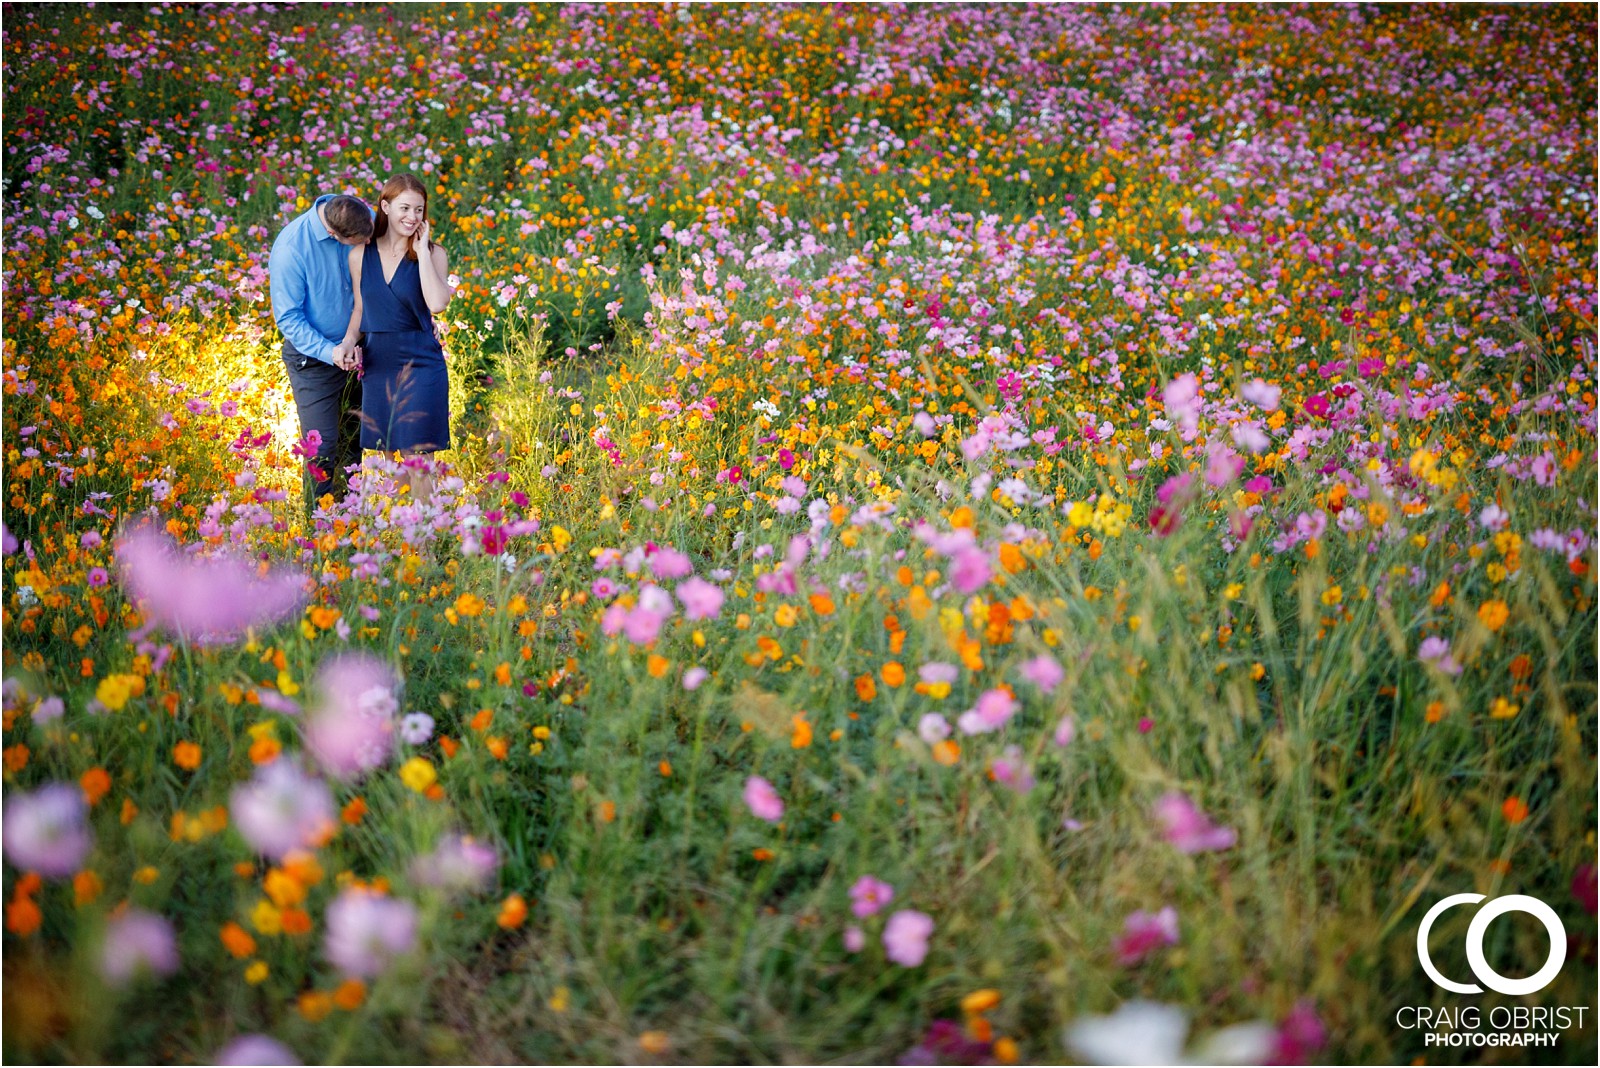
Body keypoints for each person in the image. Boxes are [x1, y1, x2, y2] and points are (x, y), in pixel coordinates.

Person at [340, 175, 455, 503]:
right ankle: (392, 537)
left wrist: (420, 251)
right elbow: (361, 310)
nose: (413, 216)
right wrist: (349, 342)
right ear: (385, 207)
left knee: (419, 457)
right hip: (380, 363)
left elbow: (436, 304)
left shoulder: (433, 253)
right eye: (405, 208)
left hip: (422, 362)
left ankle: (424, 538)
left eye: (419, 209)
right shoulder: (360, 256)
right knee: (383, 457)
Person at [268, 193, 374, 510]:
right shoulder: (291, 250)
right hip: (314, 359)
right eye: (359, 242)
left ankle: (350, 522)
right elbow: (289, 318)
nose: (369, 245)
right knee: (322, 446)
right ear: (334, 235)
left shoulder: (360, 214)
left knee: (354, 438)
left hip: (361, 348)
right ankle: (318, 533)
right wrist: (332, 352)